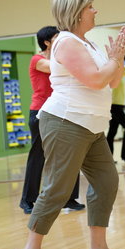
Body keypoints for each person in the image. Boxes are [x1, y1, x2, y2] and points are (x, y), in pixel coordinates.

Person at [21, 0, 125, 249]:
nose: (95, 11)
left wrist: (117, 59)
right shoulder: (66, 42)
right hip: (65, 121)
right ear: (77, 12)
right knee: (57, 189)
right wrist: (114, 60)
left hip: (92, 126)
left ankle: (98, 247)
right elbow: (94, 79)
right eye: (91, 6)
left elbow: (111, 82)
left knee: (106, 182)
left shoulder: (88, 44)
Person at [19, 26, 85, 215]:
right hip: (40, 112)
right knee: (38, 156)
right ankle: (27, 200)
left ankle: (69, 199)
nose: (61, 40)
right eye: (57, 37)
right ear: (47, 42)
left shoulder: (57, 58)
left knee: (71, 155)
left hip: (61, 111)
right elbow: (57, 68)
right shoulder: (37, 60)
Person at [106, 45, 125, 163]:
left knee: (112, 132)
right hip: (114, 106)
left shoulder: (120, 73)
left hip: (118, 106)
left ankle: (110, 158)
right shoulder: (113, 73)